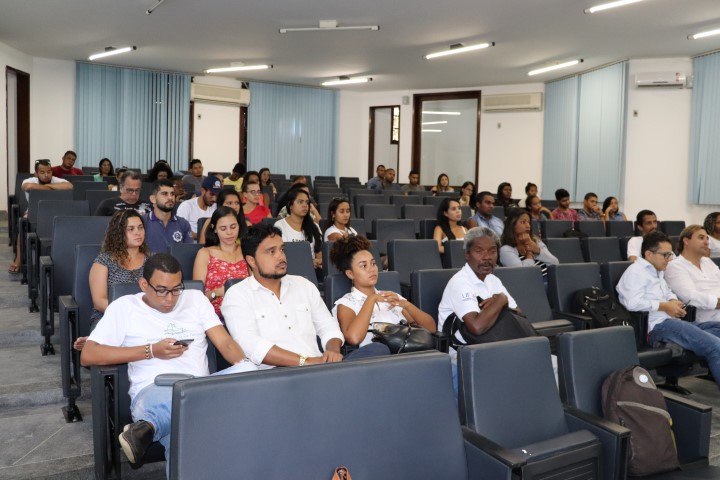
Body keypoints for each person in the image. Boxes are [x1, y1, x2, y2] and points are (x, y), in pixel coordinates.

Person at [80, 253, 255, 474]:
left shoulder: (196, 299)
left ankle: (149, 427)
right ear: (144, 285)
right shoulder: (124, 307)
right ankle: (154, 421)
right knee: (188, 426)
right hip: (155, 390)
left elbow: (225, 343)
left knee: (250, 368)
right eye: (162, 290)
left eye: (176, 289)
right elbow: (89, 354)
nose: (170, 298)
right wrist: (152, 350)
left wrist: (243, 369)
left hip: (201, 388)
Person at [222, 224, 389, 369]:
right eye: (271, 252)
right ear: (251, 261)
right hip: (275, 374)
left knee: (379, 349)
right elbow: (250, 344)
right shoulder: (238, 295)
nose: (281, 256)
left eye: (282, 249)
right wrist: (305, 361)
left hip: (318, 367)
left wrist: (332, 351)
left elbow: (328, 327)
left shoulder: (303, 285)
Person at [617, 231, 720, 389]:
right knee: (714, 346)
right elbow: (632, 303)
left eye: (670, 254)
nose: (669, 259)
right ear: (649, 254)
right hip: (657, 327)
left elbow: (668, 292)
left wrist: (672, 301)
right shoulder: (635, 272)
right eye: (665, 255)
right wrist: (664, 306)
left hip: (672, 323)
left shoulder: (657, 271)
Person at [329, 235, 436, 346]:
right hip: (376, 355)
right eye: (364, 266)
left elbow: (431, 328)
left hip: (404, 352)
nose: (371, 269)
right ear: (350, 274)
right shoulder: (346, 304)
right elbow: (354, 338)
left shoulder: (390, 296)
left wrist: (406, 304)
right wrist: (371, 299)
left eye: (373, 263)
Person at [438, 226, 518, 361]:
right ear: (467, 254)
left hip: (495, 344)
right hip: (464, 353)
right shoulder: (460, 282)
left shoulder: (493, 280)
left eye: (492, 251)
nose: (487, 257)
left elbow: (518, 313)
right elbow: (477, 327)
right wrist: (500, 300)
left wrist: (499, 302)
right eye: (479, 251)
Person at [74, 209, 150, 351]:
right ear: (119, 233)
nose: (138, 232)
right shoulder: (104, 261)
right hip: (109, 317)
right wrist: (128, 315)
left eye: (140, 228)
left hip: (144, 316)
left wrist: (141, 315)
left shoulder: (152, 260)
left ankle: (95, 342)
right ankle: (97, 342)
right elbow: (99, 302)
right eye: (131, 229)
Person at [9, 159, 73, 273]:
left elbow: (69, 186)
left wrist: (45, 186)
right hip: (34, 212)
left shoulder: (56, 179)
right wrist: (52, 187)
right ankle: (18, 259)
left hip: (55, 212)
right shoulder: (30, 180)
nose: (46, 175)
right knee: (22, 227)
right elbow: (28, 187)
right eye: (42, 172)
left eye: (49, 171)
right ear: (36, 173)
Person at [193, 206, 250, 319]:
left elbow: (256, 286)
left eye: (233, 227)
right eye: (223, 228)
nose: (229, 232)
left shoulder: (246, 251)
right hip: (214, 316)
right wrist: (216, 293)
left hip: (245, 311)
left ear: (239, 226)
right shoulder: (205, 253)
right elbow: (196, 297)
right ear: (214, 229)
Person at [665, 225, 720, 323]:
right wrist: (717, 302)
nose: (707, 242)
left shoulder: (707, 262)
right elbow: (690, 297)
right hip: (706, 318)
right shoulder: (675, 266)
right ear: (686, 241)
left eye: (707, 238)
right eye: (701, 238)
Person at [274, 187, 323, 270]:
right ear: (290, 205)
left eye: (307, 202)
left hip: (311, 271)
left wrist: (317, 261)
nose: (305, 205)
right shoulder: (279, 226)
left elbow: (319, 255)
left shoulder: (314, 226)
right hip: (287, 270)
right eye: (300, 202)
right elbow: (277, 255)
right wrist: (306, 263)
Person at [499, 209, 558, 275]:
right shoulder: (505, 250)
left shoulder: (536, 242)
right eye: (523, 222)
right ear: (512, 225)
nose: (528, 226)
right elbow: (523, 274)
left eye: (529, 222)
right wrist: (529, 253)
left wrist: (538, 250)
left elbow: (555, 263)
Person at [143, 180, 193, 254]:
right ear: (153, 199)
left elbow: (188, 253)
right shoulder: (142, 222)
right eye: (164, 194)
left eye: (172, 194)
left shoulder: (183, 224)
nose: (170, 197)